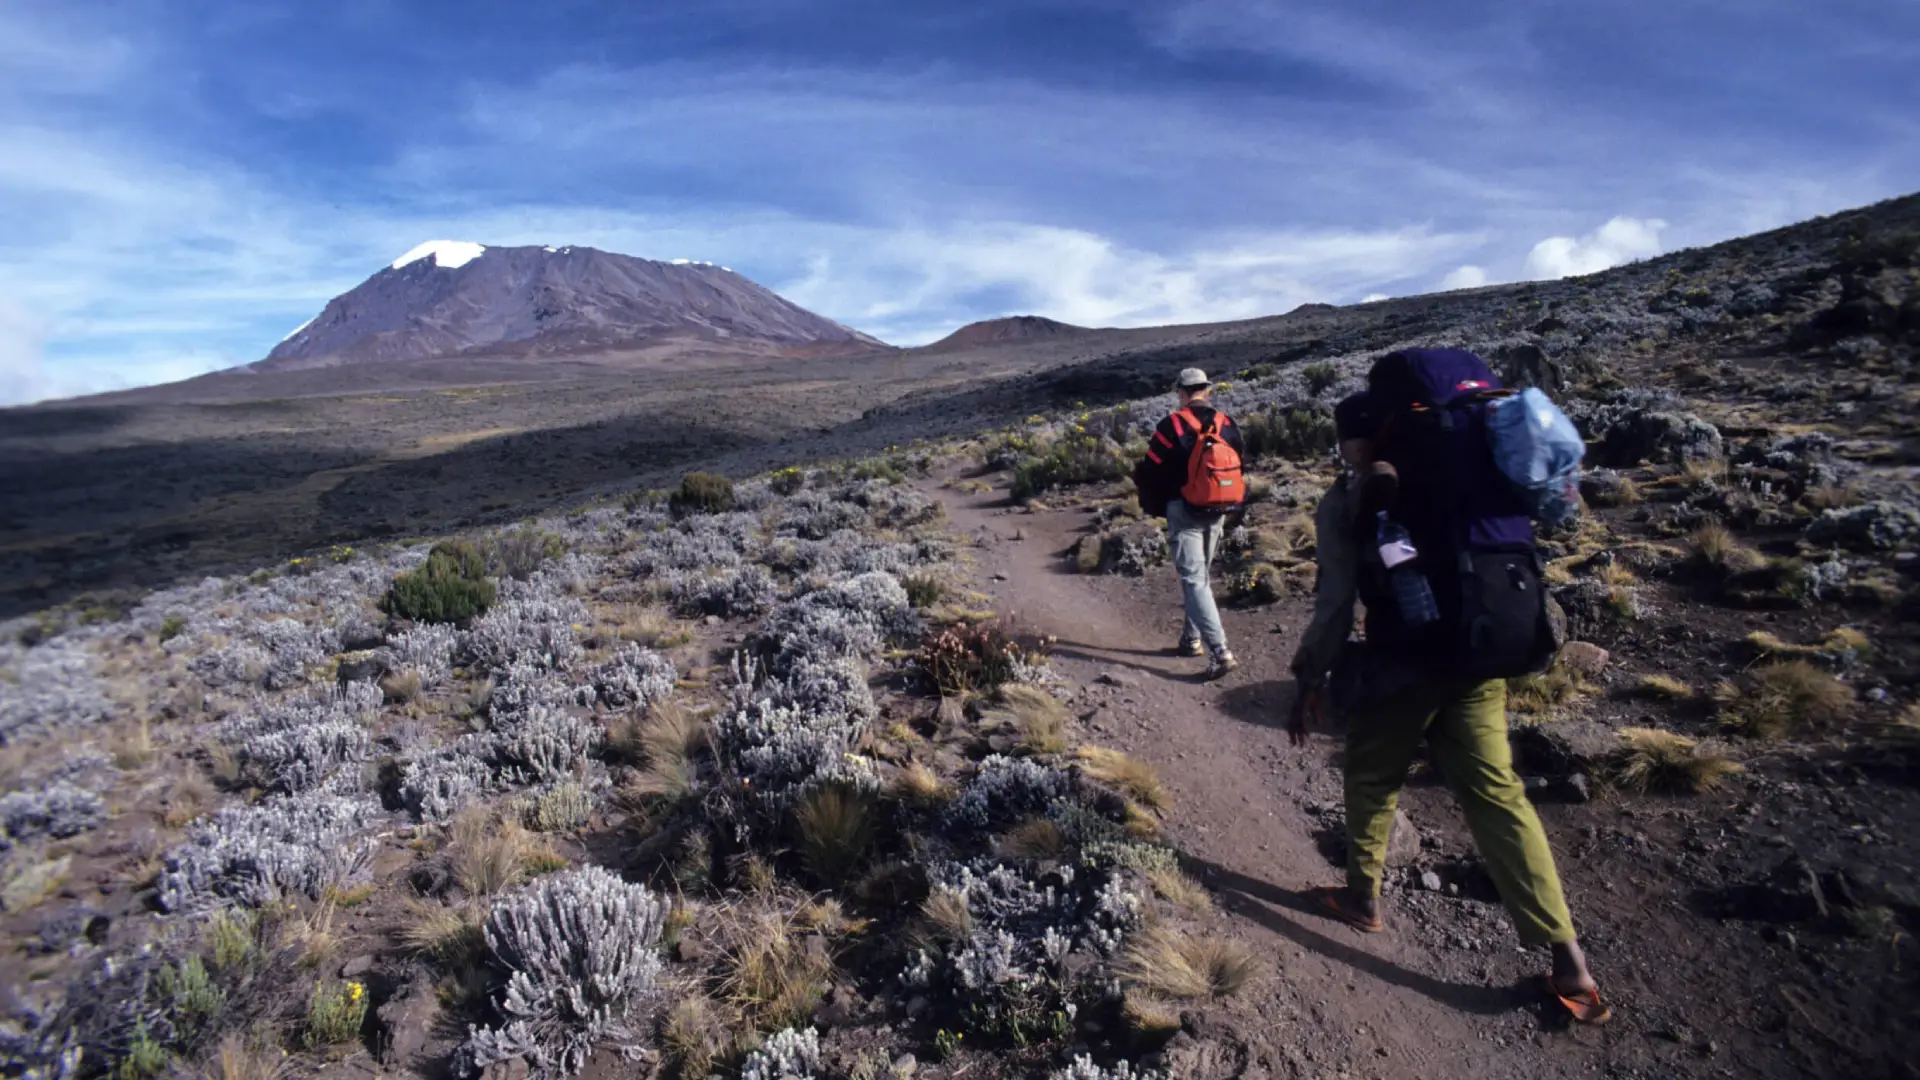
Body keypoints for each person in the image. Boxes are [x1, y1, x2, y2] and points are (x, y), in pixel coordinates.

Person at [1288, 388, 1611, 1025]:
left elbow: (1336, 599)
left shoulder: (1357, 494)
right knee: (1499, 797)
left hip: (1405, 662)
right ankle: (1569, 961)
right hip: (1477, 661)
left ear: (1361, 438)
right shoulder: (1467, 469)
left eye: (1345, 439)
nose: (1344, 450)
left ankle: (1362, 899)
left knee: (1373, 777)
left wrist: (1308, 677)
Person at [1131, 367, 1245, 679]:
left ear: (1181, 391)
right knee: (1201, 578)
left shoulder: (1172, 425)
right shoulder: (1227, 424)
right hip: (1220, 508)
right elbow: (1240, 464)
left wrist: (1150, 496)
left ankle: (1220, 652)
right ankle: (1190, 639)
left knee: (1195, 581)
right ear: (1206, 390)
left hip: (1184, 510)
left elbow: (1151, 467)